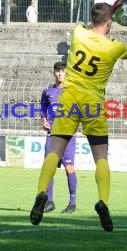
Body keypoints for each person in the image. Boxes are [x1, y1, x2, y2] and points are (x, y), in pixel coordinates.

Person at [29, 0, 127, 231]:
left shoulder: (78, 33)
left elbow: (95, 21)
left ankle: (41, 193)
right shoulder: (112, 48)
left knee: (54, 151)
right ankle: (103, 200)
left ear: (93, 18)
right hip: (93, 102)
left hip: (69, 98)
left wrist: (109, 9)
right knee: (101, 156)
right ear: (110, 23)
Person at [40, 61, 78, 214]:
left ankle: (72, 203)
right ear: (54, 72)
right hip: (52, 135)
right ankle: (50, 202)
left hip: (67, 136)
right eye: (57, 71)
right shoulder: (48, 91)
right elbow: (43, 107)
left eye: (63, 71)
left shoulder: (73, 91)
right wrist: (43, 120)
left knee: (69, 168)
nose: (60, 73)